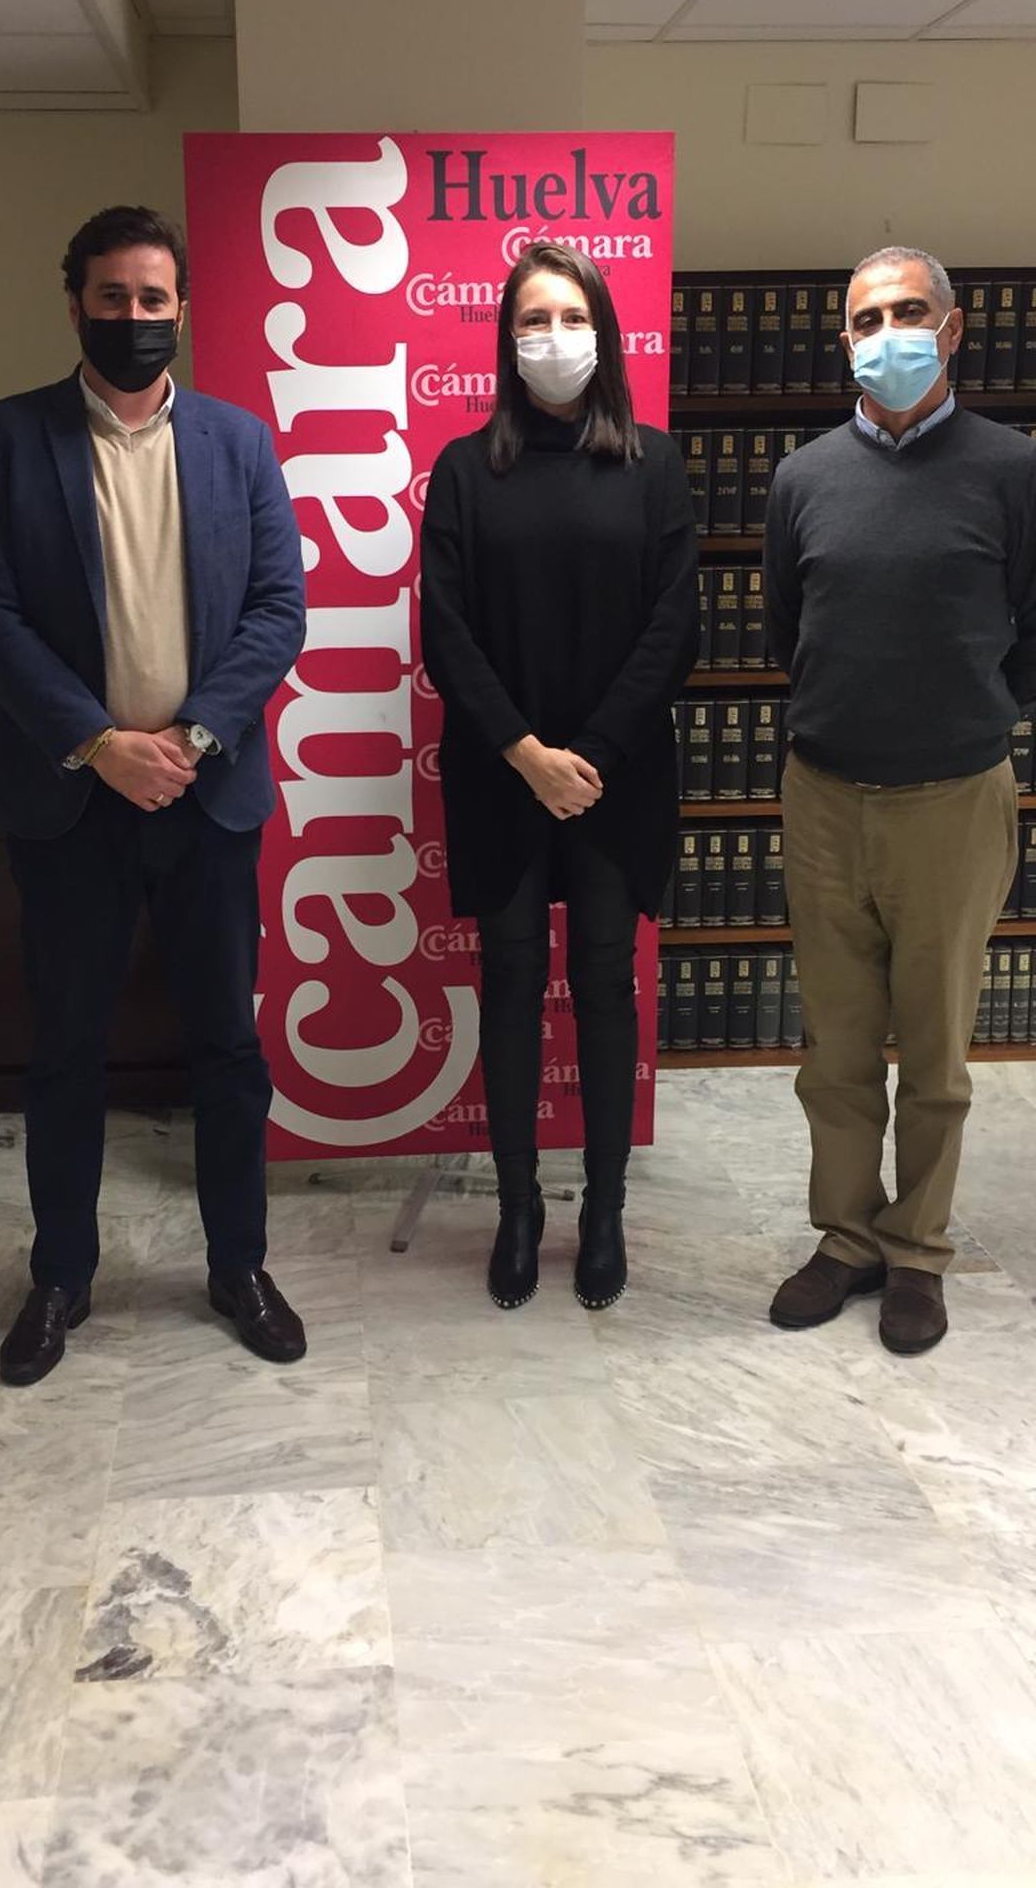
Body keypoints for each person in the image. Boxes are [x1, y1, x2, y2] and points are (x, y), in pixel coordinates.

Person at [0, 204, 307, 1386]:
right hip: (73, 801)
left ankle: (238, 1266)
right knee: (64, 1053)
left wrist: (193, 737)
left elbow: (276, 611)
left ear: (181, 310)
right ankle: (60, 1275)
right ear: (75, 305)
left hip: (206, 800)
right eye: (114, 298)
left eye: (155, 301)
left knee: (227, 1050)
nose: (136, 319)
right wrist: (101, 743)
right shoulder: (7, 438)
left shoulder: (238, 442)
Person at [763, 244, 1036, 1355]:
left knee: (936, 1050)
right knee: (836, 1046)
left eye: (906, 311)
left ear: (949, 329)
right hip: (823, 797)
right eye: (864, 319)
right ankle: (845, 1238)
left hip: (952, 798)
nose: (885, 333)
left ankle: (917, 1252)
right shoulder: (801, 479)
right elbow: (785, 631)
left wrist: (965, 717)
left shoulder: (1011, 468)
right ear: (843, 341)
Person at [421, 240, 702, 1312]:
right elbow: (444, 633)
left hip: (614, 779)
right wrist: (527, 755)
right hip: (504, 774)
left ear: (604, 334)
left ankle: (605, 1210)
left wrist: (590, 755)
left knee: (601, 983)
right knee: (505, 986)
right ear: (506, 342)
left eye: (571, 318)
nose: (553, 339)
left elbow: (674, 626)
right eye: (532, 320)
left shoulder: (653, 465)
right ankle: (517, 1207)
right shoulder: (463, 470)